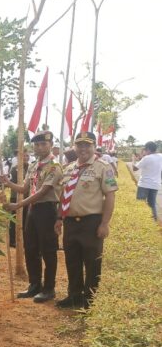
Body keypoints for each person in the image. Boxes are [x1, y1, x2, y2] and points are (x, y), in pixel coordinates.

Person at [55, 131, 117, 309]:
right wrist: (59, 218)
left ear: (94, 147)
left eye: (87, 145)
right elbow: (63, 197)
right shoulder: (69, 168)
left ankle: (90, 300)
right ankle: (74, 295)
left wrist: (105, 223)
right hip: (70, 223)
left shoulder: (103, 167)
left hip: (91, 222)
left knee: (92, 262)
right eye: (79, 145)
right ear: (74, 147)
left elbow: (110, 196)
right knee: (72, 260)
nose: (83, 149)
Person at [1, 131, 63, 303]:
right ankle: (34, 284)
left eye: (43, 144)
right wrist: (8, 183)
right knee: (31, 248)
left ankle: (49, 288)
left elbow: (43, 192)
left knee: (48, 250)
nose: (39, 147)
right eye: (36, 144)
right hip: (33, 210)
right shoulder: (34, 165)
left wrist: (18, 205)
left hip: (47, 210)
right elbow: (24, 189)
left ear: (51, 145)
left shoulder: (54, 167)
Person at [133, 141, 162, 221]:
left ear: (148, 149)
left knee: (140, 204)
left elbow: (134, 168)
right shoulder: (160, 156)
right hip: (155, 185)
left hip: (144, 185)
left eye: (145, 149)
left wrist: (135, 160)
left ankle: (141, 221)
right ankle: (154, 222)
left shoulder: (147, 158)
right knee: (152, 204)